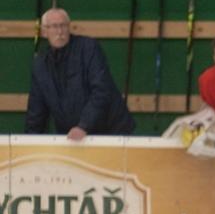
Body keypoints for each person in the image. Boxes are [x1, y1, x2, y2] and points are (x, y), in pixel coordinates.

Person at [25, 8, 136, 140]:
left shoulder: (89, 48)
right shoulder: (40, 64)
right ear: (44, 32)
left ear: (69, 27)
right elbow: (36, 111)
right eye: (54, 26)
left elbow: (101, 91)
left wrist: (84, 126)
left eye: (63, 26)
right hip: (73, 138)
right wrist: (29, 141)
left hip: (112, 131)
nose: (60, 31)